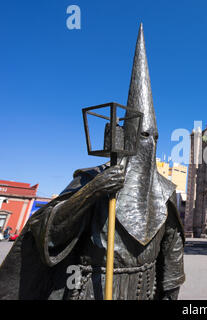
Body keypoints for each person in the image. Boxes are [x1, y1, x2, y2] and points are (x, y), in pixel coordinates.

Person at [0, 24, 185, 300]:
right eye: (143, 135)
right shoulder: (94, 178)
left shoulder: (165, 193)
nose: (149, 142)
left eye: (154, 136)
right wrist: (91, 192)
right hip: (90, 290)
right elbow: (47, 233)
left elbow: (172, 262)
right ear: (127, 137)